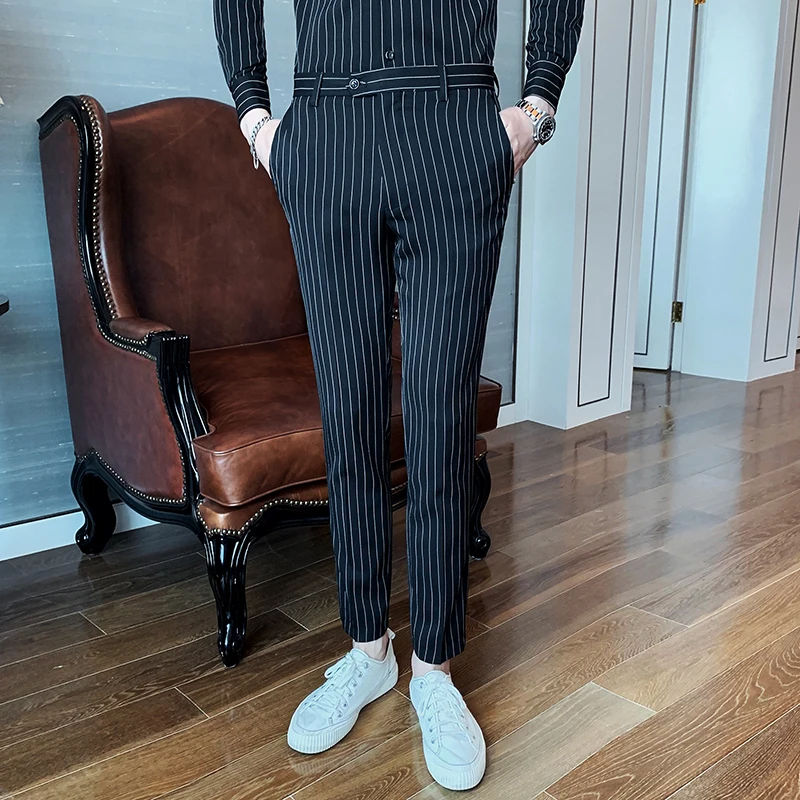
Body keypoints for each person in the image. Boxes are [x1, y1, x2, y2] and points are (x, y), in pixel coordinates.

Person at [213, 0, 584, 790]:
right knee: (346, 414)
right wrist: (255, 118)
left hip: (453, 123)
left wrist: (537, 104)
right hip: (325, 129)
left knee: (440, 417)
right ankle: (367, 650)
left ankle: (435, 669)